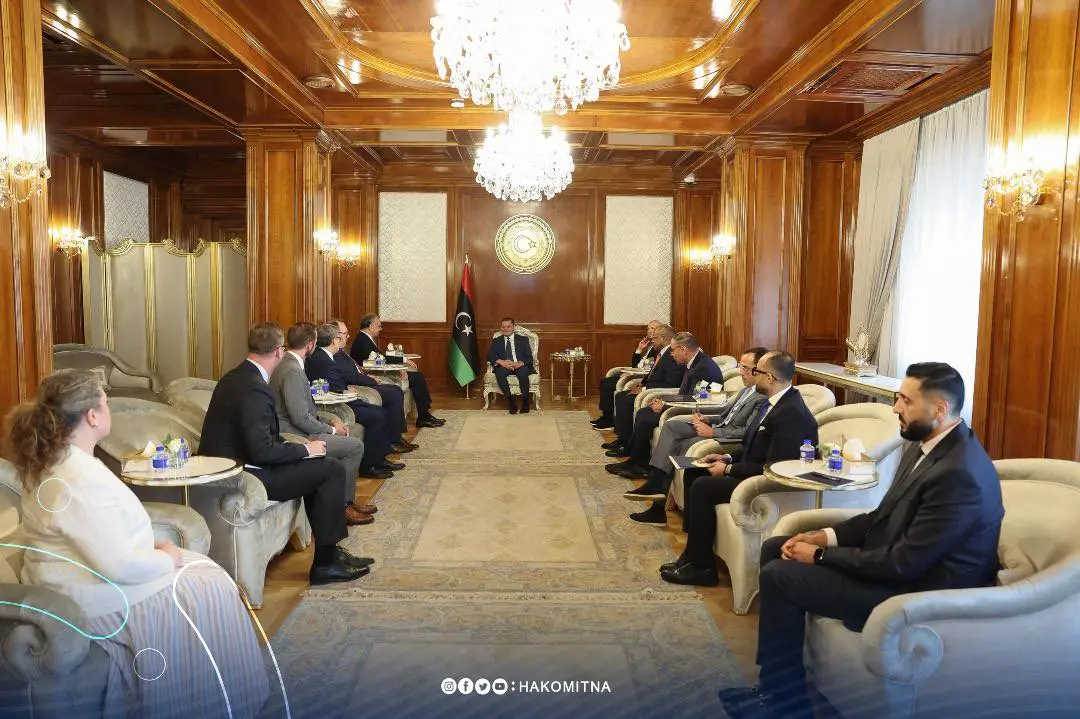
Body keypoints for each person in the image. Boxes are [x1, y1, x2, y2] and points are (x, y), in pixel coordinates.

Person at [720, 362, 1005, 719]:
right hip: (895, 564)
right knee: (775, 547)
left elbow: (903, 565)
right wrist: (824, 535)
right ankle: (777, 683)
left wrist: (820, 556)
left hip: (916, 592)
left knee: (780, 575)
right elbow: (880, 516)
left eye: (905, 400)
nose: (895, 408)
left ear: (940, 408)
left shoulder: (958, 473)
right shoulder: (928, 444)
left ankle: (782, 703)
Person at [5, 369, 270, 717]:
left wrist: (157, 549)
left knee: (206, 574)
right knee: (210, 588)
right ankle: (212, 702)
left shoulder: (62, 462)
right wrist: (167, 558)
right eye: (105, 402)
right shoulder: (75, 477)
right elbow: (119, 566)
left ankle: (222, 695)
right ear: (93, 416)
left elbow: (103, 535)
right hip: (94, 596)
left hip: (89, 578)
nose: (108, 409)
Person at [199, 322, 370, 586]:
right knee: (331, 470)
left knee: (322, 467)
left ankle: (331, 554)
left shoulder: (235, 377)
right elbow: (262, 451)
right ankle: (325, 564)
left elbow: (262, 439)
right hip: (244, 474)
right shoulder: (254, 387)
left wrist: (303, 452)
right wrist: (305, 449)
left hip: (242, 464)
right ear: (279, 351)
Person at [660, 351, 816, 586]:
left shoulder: (790, 413)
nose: (752, 374)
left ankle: (703, 569)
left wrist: (728, 470)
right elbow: (750, 445)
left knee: (703, 487)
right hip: (751, 469)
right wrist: (725, 457)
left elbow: (772, 467)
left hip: (763, 483)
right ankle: (692, 557)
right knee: (694, 471)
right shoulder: (773, 402)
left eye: (757, 371)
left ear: (770, 377)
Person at [621, 347, 769, 522]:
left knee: (681, 444)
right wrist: (707, 419)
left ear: (759, 369)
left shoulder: (762, 397)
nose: (741, 372)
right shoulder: (746, 390)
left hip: (726, 437)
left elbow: (748, 431)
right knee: (672, 425)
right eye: (741, 367)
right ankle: (655, 482)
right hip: (717, 427)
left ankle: (657, 502)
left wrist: (713, 431)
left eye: (745, 368)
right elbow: (725, 416)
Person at [269, 322, 377, 526]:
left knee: (351, 439)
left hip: (300, 427)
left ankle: (346, 502)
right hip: (296, 435)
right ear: (311, 345)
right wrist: (332, 429)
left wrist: (328, 420)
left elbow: (305, 410)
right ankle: (342, 506)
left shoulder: (290, 364)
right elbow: (300, 418)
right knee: (355, 446)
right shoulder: (291, 370)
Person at [605, 332, 725, 478]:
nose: (671, 354)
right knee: (644, 413)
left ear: (683, 349)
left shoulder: (704, 367)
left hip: (695, 413)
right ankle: (635, 461)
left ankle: (641, 466)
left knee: (646, 418)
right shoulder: (696, 362)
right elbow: (688, 394)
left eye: (673, 350)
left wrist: (665, 406)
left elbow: (699, 399)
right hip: (685, 406)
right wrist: (664, 401)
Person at [306, 322, 403, 479]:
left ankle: (380, 460)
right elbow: (333, 385)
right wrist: (344, 389)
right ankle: (368, 466)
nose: (341, 341)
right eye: (339, 338)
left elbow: (335, 382)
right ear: (334, 340)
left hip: (343, 399)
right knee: (376, 416)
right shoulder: (322, 359)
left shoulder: (325, 356)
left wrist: (345, 388)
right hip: (337, 406)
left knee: (381, 412)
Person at [329, 317, 416, 453]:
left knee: (395, 390)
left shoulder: (339, 351)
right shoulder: (334, 354)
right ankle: (394, 440)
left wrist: (368, 376)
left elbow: (356, 369)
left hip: (363, 380)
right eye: (345, 333)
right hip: (357, 386)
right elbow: (350, 376)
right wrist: (371, 380)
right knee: (394, 393)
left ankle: (395, 438)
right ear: (335, 336)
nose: (348, 336)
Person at [350, 313, 444, 428]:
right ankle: (424, 416)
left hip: (377, 371)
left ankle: (425, 415)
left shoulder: (365, 338)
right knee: (417, 377)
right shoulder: (363, 340)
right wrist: (402, 362)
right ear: (371, 326)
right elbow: (381, 359)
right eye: (379, 326)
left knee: (417, 377)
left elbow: (379, 359)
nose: (380, 329)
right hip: (372, 374)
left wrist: (399, 368)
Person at [601, 324, 681, 456]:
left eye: (654, 338)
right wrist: (641, 385)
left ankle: (626, 444)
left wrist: (644, 389)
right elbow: (653, 374)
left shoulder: (671, 356)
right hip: (649, 389)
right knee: (621, 396)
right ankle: (622, 440)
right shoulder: (662, 353)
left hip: (655, 393)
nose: (652, 340)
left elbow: (670, 383)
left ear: (663, 338)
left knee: (626, 400)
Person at [592, 320, 662, 430]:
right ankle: (606, 416)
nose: (649, 331)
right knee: (606, 381)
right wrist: (639, 349)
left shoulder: (659, 348)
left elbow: (651, 370)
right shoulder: (650, 346)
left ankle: (609, 420)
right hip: (637, 375)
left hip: (642, 379)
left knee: (608, 384)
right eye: (648, 328)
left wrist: (632, 374)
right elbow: (636, 365)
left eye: (653, 328)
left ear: (660, 331)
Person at [486, 317, 536, 414]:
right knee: (499, 373)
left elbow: (529, 357)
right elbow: (489, 356)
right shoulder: (497, 340)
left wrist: (519, 363)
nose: (506, 329)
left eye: (508, 326)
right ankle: (510, 401)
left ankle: (525, 401)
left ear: (513, 327)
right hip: (504, 366)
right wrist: (501, 362)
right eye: (503, 327)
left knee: (523, 373)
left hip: (519, 365)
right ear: (501, 328)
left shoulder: (523, 339)